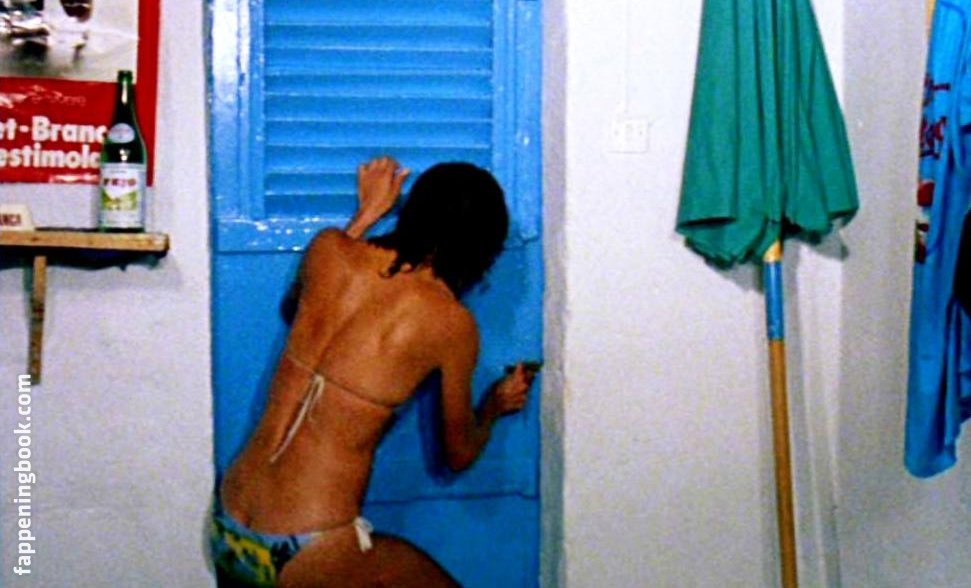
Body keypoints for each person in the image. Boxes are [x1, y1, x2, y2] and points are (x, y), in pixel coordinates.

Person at [210, 157, 537, 587]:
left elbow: (295, 308)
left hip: (229, 518)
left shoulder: (328, 249)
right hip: (309, 547)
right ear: (481, 247)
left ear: (413, 210)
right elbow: (459, 455)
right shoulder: (450, 323)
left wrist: (366, 214)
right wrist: (493, 406)